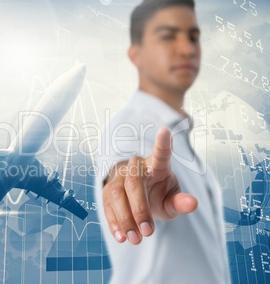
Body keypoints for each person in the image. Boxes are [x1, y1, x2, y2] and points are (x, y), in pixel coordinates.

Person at [94, 0, 230, 283]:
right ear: (136, 56)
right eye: (168, 36)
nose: (187, 48)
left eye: (193, 36)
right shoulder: (130, 124)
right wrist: (127, 179)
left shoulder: (179, 136)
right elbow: (122, 164)